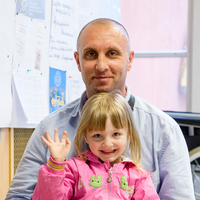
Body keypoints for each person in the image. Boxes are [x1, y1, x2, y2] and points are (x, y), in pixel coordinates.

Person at [6, 18, 195, 200]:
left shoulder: (164, 130)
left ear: (129, 60)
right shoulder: (51, 128)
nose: (101, 66)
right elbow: (18, 197)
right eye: (91, 54)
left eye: (112, 53)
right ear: (78, 61)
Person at [32, 92, 160, 199]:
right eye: (98, 136)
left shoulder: (138, 176)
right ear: (86, 136)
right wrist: (56, 165)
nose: (108, 143)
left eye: (116, 134)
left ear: (128, 134)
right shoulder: (75, 169)